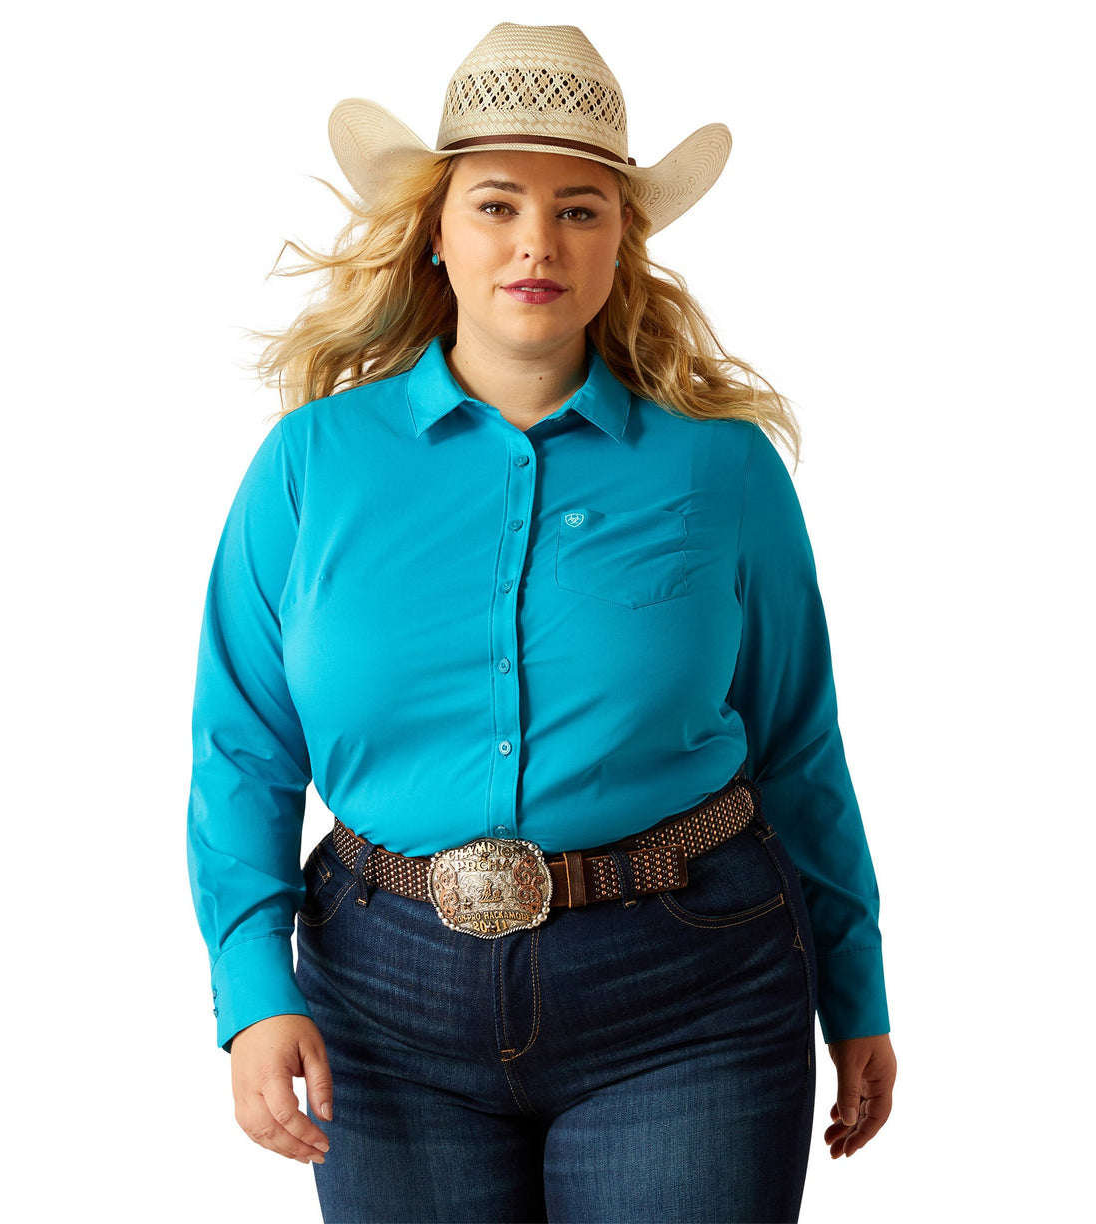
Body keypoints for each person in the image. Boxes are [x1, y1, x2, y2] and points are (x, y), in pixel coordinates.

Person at [187, 21, 897, 1224]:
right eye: (497, 204)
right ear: (436, 230)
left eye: (579, 209)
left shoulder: (723, 471)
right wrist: (253, 985)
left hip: (690, 992)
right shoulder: (310, 463)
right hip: (382, 1003)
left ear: (622, 240)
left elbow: (798, 745)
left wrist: (857, 988)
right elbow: (242, 745)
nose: (537, 242)